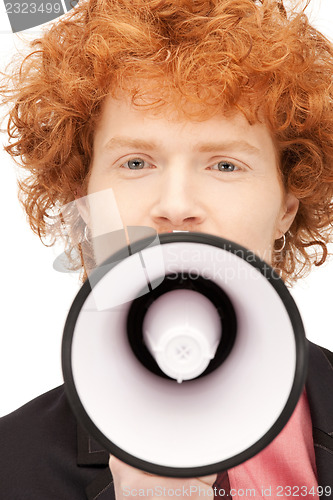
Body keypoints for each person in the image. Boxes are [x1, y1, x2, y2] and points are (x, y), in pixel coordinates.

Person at [1, 0, 333, 498]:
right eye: (136, 163)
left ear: (288, 204)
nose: (176, 206)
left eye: (225, 165)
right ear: (84, 201)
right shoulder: (12, 466)